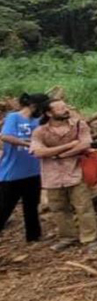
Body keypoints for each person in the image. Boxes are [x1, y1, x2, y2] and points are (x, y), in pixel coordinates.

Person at [29, 99, 97, 252]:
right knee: (59, 209)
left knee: (84, 207)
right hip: (52, 177)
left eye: (65, 106)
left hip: (76, 172)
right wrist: (68, 146)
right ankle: (67, 237)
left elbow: (85, 144)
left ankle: (90, 239)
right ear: (49, 113)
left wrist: (59, 155)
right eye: (60, 108)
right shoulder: (40, 131)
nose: (65, 110)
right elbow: (38, 152)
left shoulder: (78, 125)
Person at [0, 93, 47, 243]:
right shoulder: (14, 117)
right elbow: (5, 136)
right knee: (4, 207)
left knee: (32, 206)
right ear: (33, 106)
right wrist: (27, 144)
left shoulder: (38, 121)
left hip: (33, 171)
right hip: (12, 173)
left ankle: (33, 236)